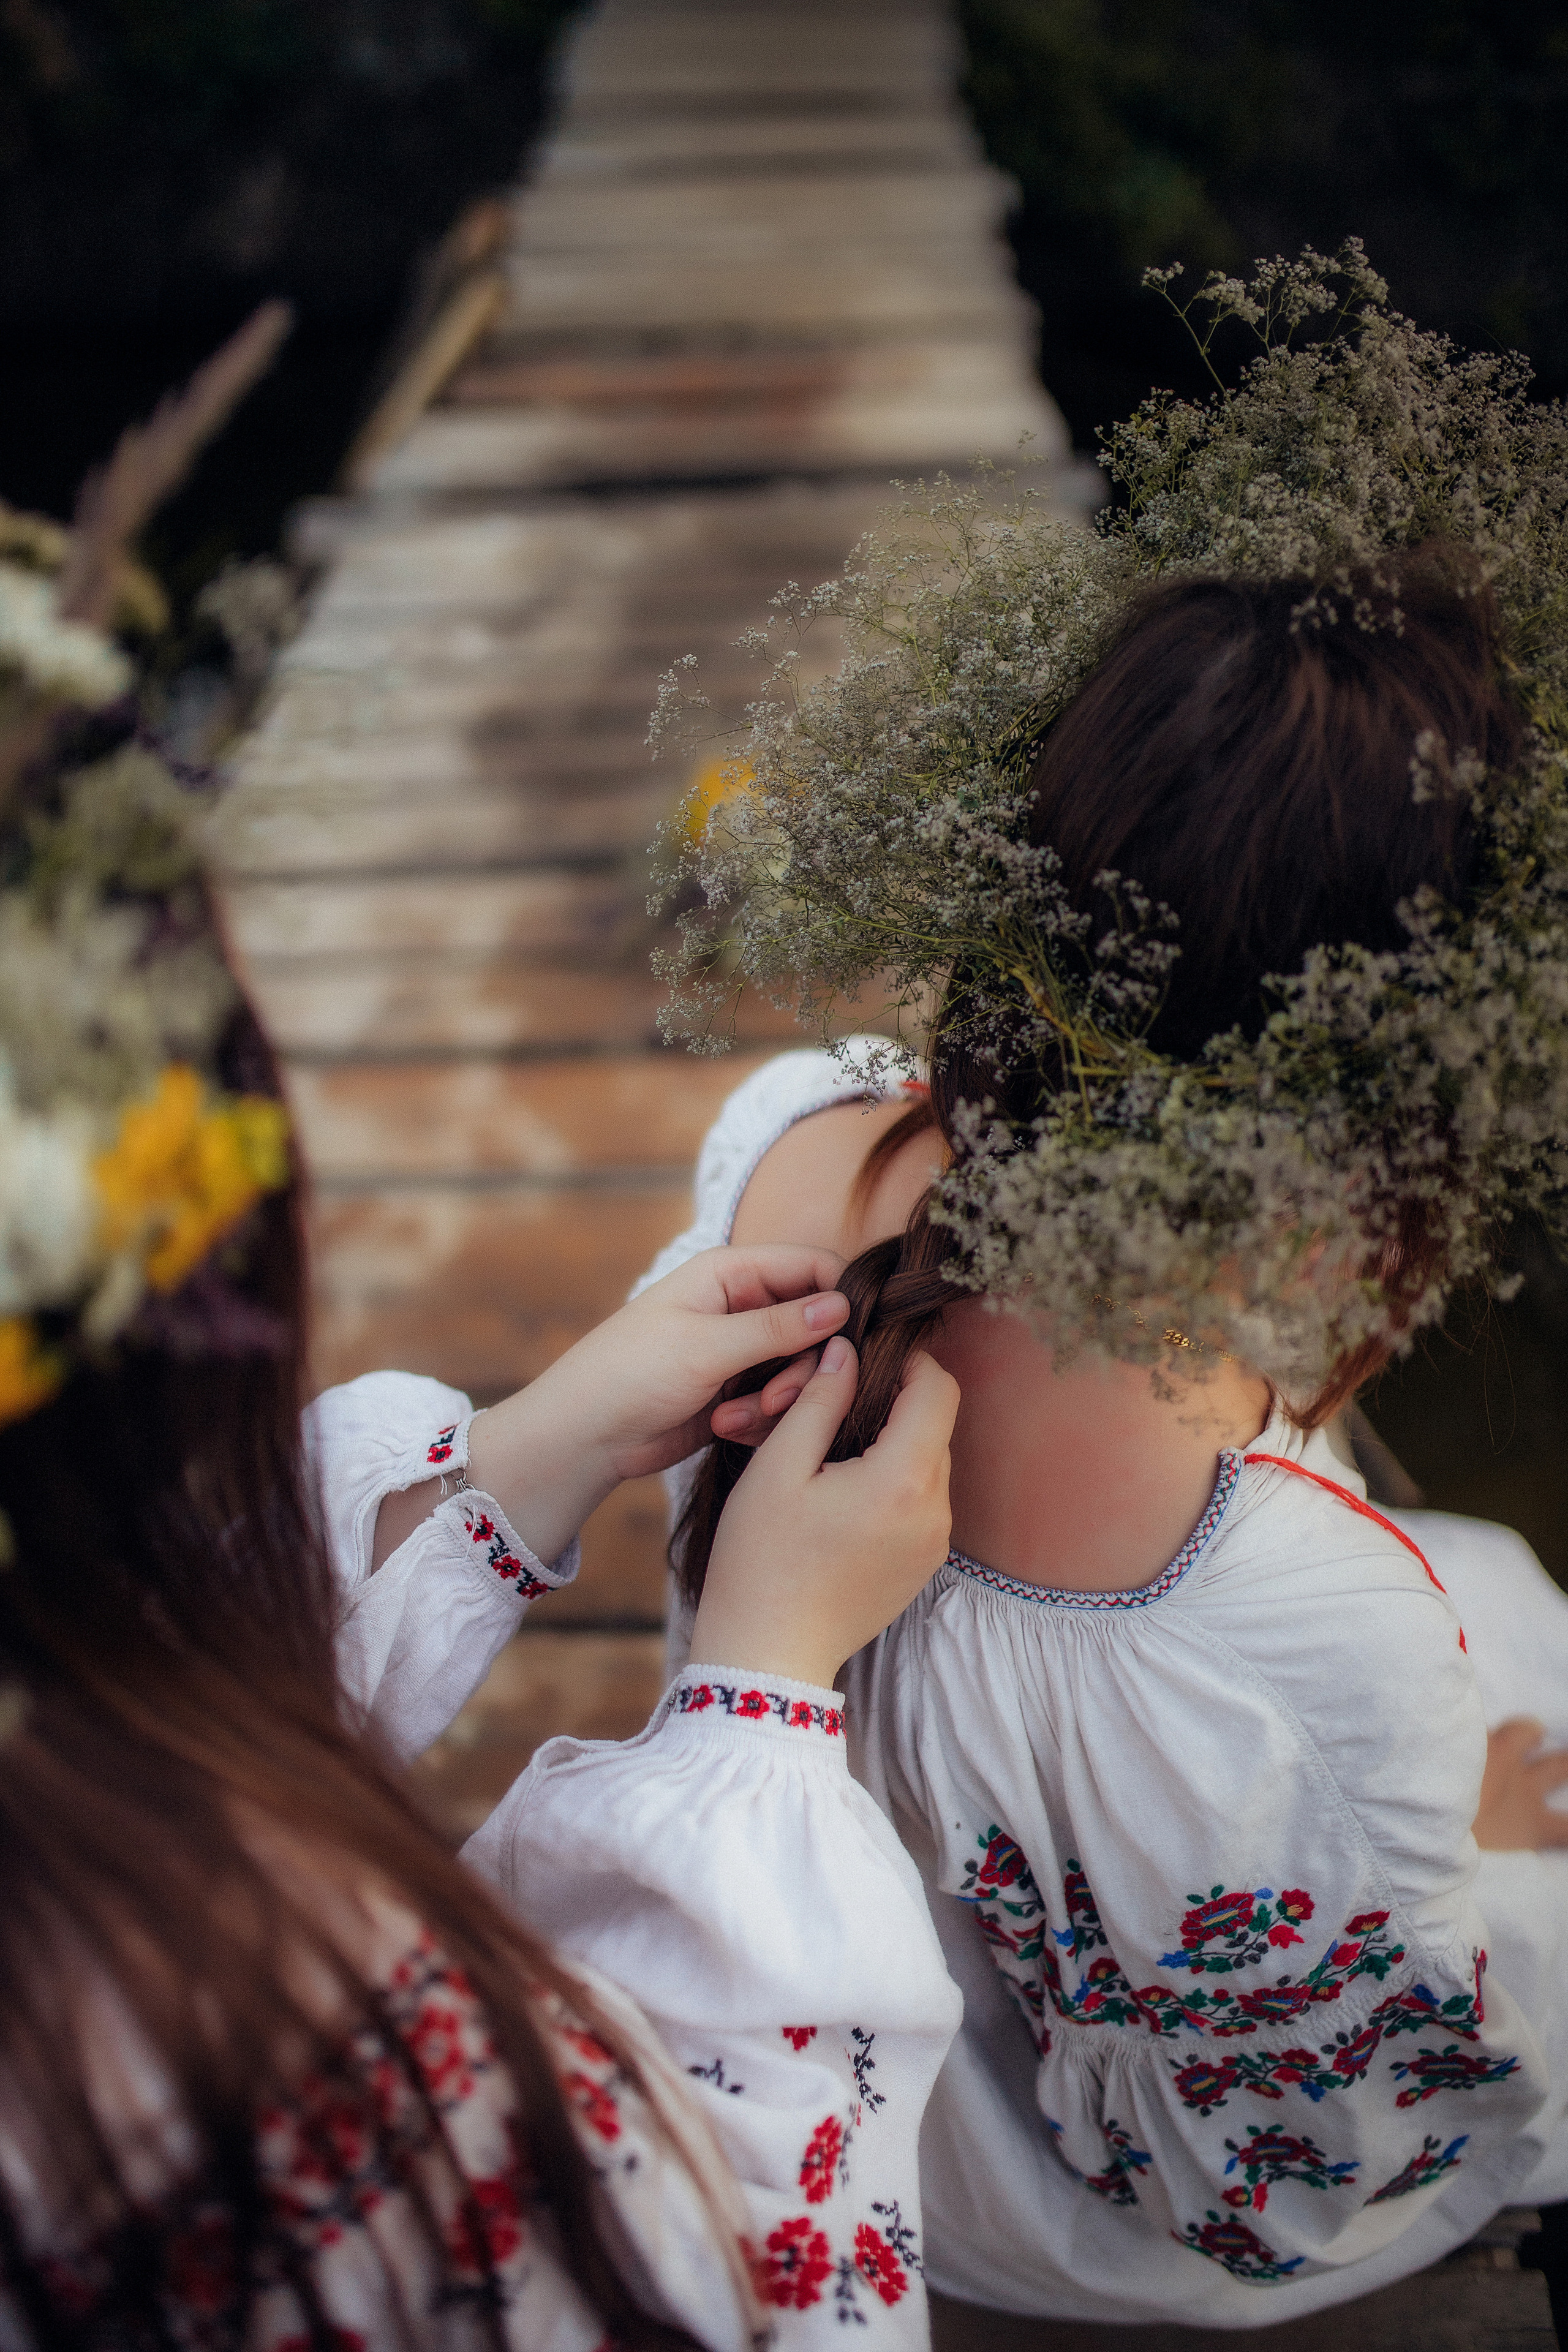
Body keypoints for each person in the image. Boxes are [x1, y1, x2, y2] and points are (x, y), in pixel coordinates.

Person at [641, 250, 1568, 2326]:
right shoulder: (1304, 1634)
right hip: (1045, 2222)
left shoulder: (810, 1142)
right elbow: (1272, 2156)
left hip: (852, 2029)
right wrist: (1475, 1866)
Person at [0, 589, 964, 2345]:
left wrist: (532, 1450)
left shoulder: (69, 1745)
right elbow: (743, 2298)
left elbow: (176, 1671)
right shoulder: (241, 2049)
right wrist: (762, 1688)